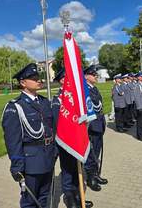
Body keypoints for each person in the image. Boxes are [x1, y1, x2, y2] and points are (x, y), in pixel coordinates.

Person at [1, 63, 56, 208]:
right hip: (30, 163)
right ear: (23, 83)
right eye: (33, 78)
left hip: (48, 158)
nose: (39, 80)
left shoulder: (45, 102)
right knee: (30, 201)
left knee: (44, 197)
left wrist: (54, 151)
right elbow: (12, 140)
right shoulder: (15, 106)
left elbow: (52, 129)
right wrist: (17, 166)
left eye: (38, 77)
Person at [52, 69, 93, 208]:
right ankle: (70, 199)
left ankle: (78, 197)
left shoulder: (75, 98)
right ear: (62, 81)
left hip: (77, 140)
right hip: (65, 142)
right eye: (67, 78)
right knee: (68, 171)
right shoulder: (57, 100)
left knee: (77, 170)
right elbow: (58, 123)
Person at [83, 65, 108, 192]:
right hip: (92, 127)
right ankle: (90, 178)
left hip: (99, 125)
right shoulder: (84, 90)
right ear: (86, 76)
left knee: (96, 152)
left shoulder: (94, 89)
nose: (96, 76)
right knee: (91, 154)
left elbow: (99, 106)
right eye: (94, 74)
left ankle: (95, 174)